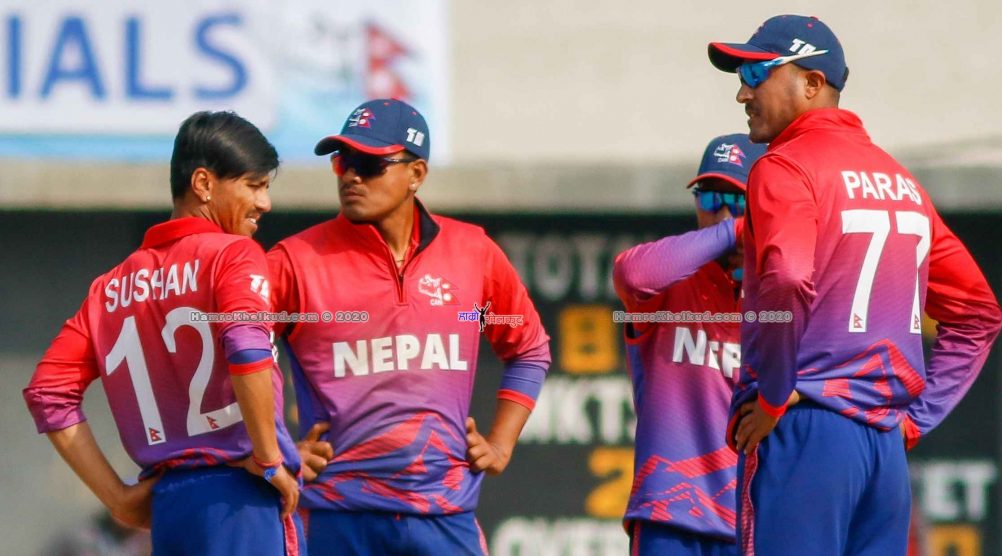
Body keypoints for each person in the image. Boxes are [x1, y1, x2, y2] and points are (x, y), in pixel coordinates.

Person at [706, 15, 1002, 555]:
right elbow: (979, 314)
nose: (743, 93)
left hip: (804, 427)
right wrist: (913, 422)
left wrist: (772, 395)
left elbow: (787, 276)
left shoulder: (783, 166)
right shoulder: (900, 180)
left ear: (812, 83)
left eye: (756, 73)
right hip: (884, 448)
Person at [267, 98, 551, 555]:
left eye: (369, 164)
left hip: (445, 516)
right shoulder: (294, 260)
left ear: (416, 173)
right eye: (342, 162)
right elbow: (233, 350)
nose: (351, 177)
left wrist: (501, 444)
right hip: (336, 517)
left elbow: (528, 349)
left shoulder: (473, 252)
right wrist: (273, 448)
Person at [24, 111, 304, 555]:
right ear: (203, 183)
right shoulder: (234, 254)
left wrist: (118, 499)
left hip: (170, 509)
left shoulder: (109, 287)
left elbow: (48, 392)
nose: (265, 202)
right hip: (242, 500)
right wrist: (270, 460)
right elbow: (247, 349)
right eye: (254, 185)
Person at [614, 133, 765, 556]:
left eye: (737, 201)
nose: (721, 213)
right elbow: (631, 274)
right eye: (709, 198)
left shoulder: (780, 291)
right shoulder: (669, 280)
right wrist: (737, 230)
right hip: (669, 513)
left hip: (753, 518)